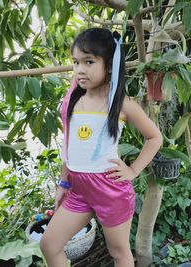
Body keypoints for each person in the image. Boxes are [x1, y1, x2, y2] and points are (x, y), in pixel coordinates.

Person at [40, 28, 163, 267]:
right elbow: (69, 148)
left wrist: (133, 170)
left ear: (109, 65)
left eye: (88, 61)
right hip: (78, 188)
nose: (79, 69)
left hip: (110, 189)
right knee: (49, 245)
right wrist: (63, 183)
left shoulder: (121, 104)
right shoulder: (73, 101)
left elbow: (154, 137)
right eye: (76, 62)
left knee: (119, 253)